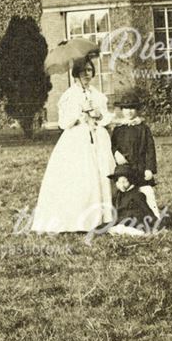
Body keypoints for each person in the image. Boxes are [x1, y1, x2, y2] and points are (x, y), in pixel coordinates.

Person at [31, 58, 115, 233]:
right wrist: (79, 112)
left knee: (101, 174)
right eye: (83, 71)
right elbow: (63, 123)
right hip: (77, 140)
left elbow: (106, 117)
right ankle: (78, 220)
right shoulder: (69, 95)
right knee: (80, 176)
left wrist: (98, 115)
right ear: (76, 73)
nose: (86, 74)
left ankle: (103, 217)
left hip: (98, 139)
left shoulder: (97, 94)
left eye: (89, 70)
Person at [109, 90, 161, 220]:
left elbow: (150, 149)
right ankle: (125, 216)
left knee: (144, 191)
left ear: (137, 110)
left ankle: (153, 216)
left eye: (132, 108)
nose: (129, 111)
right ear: (122, 110)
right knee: (124, 192)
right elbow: (112, 145)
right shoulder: (118, 129)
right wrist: (116, 153)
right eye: (126, 108)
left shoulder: (143, 128)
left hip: (140, 167)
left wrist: (149, 168)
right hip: (125, 168)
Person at [108, 164, 162, 236]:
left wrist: (155, 224)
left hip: (136, 222)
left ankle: (138, 232)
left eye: (124, 182)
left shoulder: (137, 195)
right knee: (113, 228)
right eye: (118, 182)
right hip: (123, 221)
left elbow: (146, 209)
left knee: (134, 230)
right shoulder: (118, 195)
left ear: (130, 181)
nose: (122, 185)